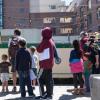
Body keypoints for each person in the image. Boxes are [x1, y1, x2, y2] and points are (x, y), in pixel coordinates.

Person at [35, 27, 55, 99]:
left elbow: (39, 49)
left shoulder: (45, 41)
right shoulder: (51, 41)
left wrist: (41, 41)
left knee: (38, 78)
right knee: (48, 79)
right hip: (50, 64)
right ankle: (49, 95)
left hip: (44, 64)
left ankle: (42, 94)